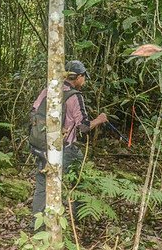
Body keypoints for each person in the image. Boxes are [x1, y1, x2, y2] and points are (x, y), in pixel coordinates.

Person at [29, 60, 108, 217]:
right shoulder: (75, 97)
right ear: (78, 77)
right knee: (79, 178)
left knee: (42, 185)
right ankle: (78, 215)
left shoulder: (48, 90)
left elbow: (33, 111)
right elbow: (84, 126)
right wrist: (100, 119)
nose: (84, 80)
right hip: (63, 148)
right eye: (84, 77)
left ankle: (36, 226)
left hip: (41, 146)